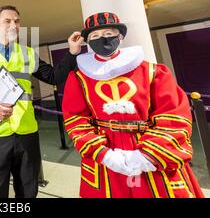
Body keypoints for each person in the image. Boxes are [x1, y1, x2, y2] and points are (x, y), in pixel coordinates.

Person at [62, 12, 204, 198]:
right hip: (105, 155)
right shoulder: (79, 78)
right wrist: (103, 153)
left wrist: (147, 155)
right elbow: (75, 119)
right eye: (94, 36)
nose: (102, 39)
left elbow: (174, 116)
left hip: (147, 150)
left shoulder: (153, 71)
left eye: (109, 33)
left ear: (120, 36)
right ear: (87, 42)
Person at [0, 5, 82, 198]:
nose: (13, 25)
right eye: (7, 21)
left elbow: (53, 76)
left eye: (17, 21)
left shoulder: (28, 53)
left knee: (28, 190)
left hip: (27, 134)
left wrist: (72, 53)